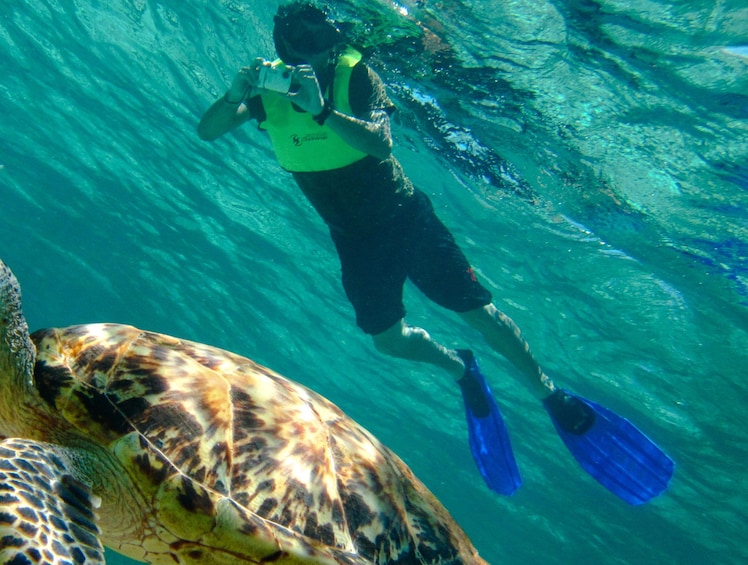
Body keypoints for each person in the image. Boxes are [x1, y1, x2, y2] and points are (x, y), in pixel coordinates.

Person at [197, 1, 673, 504]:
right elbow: (207, 129)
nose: (311, 49)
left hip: (405, 218)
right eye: (299, 39)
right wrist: (233, 96)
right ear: (282, 45)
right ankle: (461, 369)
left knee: (478, 312)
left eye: (321, 37)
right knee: (388, 340)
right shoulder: (268, 95)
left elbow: (381, 144)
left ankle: (550, 394)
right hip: (354, 238)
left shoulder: (357, 79)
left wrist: (320, 108)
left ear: (336, 38)